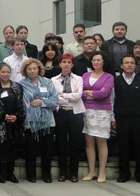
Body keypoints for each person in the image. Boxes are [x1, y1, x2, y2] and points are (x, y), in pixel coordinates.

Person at [113, 55, 140, 185]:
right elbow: (111, 100)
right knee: (123, 147)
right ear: (121, 66)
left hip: (139, 119)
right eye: (126, 63)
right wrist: (112, 117)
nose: (129, 65)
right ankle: (124, 174)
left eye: (132, 63)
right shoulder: (116, 81)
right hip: (121, 119)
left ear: (135, 66)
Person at [19, 58, 58, 183]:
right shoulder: (21, 84)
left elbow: (55, 101)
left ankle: (46, 175)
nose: (32, 71)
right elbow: (22, 103)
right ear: (25, 71)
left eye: (34, 68)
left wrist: (42, 102)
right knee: (30, 150)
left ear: (39, 69)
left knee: (47, 150)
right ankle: (31, 175)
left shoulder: (47, 82)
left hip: (47, 122)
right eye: (29, 69)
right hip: (30, 122)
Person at [0, 63, 25, 184]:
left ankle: (10, 173)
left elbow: (21, 104)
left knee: (12, 149)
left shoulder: (17, 86)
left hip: (13, 123)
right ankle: (0, 174)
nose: (5, 74)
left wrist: (16, 116)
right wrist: (3, 116)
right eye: (3, 72)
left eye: (8, 72)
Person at [51, 54, 85, 183]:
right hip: (60, 113)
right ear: (60, 64)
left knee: (75, 144)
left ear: (72, 65)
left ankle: (74, 173)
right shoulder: (54, 80)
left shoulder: (78, 79)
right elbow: (54, 98)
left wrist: (62, 95)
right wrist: (68, 96)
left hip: (75, 113)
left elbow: (78, 96)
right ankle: (63, 172)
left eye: (69, 62)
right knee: (61, 144)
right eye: (63, 62)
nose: (66, 64)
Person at [80, 51, 114, 183]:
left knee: (101, 142)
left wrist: (90, 93)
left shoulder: (109, 77)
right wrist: (93, 93)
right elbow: (80, 92)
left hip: (102, 112)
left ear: (103, 62)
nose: (96, 62)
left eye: (99, 60)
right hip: (87, 111)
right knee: (89, 142)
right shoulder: (85, 75)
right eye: (94, 60)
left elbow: (105, 93)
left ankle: (102, 172)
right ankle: (91, 171)